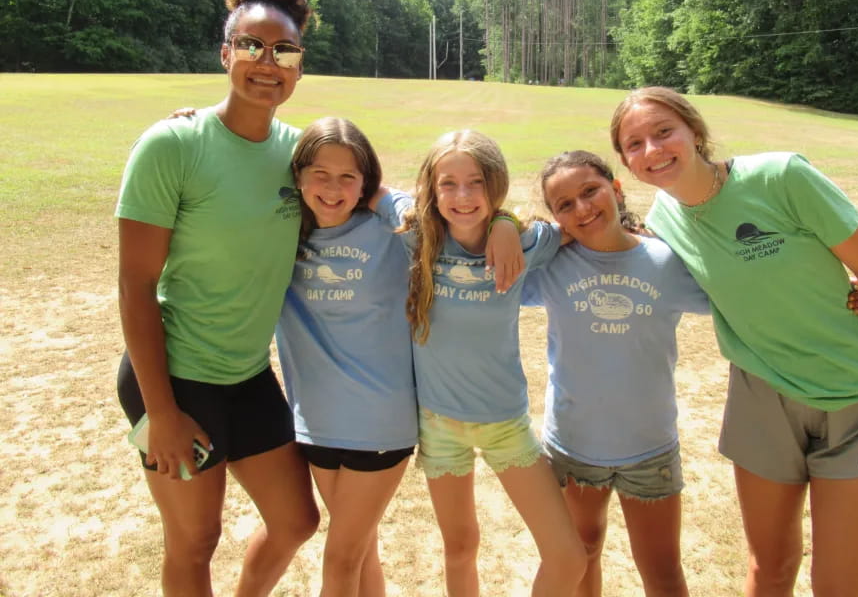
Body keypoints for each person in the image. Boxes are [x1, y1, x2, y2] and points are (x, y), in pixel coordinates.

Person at [609, 86, 858, 597]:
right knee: (770, 567)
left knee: (840, 585)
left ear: (695, 131)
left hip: (856, 398)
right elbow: (602, 243)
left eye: (664, 132)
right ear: (625, 161)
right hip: (760, 399)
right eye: (634, 143)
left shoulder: (782, 177)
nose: (652, 150)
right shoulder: (664, 221)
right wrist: (509, 224)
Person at [116, 0, 320, 597]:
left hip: (248, 374)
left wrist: (505, 221)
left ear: (299, 64)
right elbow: (134, 285)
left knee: (297, 521)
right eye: (251, 45)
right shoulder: (172, 145)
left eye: (284, 51)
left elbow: (382, 196)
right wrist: (161, 411)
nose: (268, 62)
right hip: (175, 380)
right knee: (195, 540)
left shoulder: (300, 155)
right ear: (225, 51)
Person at [377, 130, 586, 597]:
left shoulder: (529, 240)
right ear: (431, 189)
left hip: (504, 426)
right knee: (460, 545)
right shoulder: (413, 228)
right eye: (447, 183)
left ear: (497, 183)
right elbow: (365, 185)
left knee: (567, 555)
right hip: (437, 426)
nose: (463, 196)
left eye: (477, 182)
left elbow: (581, 224)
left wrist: (507, 221)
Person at [522, 150, 709, 597]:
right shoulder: (551, 267)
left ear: (616, 189)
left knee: (662, 570)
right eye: (565, 205)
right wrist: (534, 238)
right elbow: (486, 264)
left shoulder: (666, 261)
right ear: (555, 220)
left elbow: (744, 294)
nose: (583, 208)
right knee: (581, 555)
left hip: (649, 448)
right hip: (574, 445)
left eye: (591, 191)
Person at [274, 117, 418, 597]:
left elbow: (450, 217)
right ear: (297, 176)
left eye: (348, 177)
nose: (332, 189)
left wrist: (383, 196)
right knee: (361, 550)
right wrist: (194, 122)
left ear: (367, 181)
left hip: (379, 421)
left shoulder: (389, 230)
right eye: (320, 173)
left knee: (340, 559)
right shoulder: (280, 232)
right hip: (314, 421)